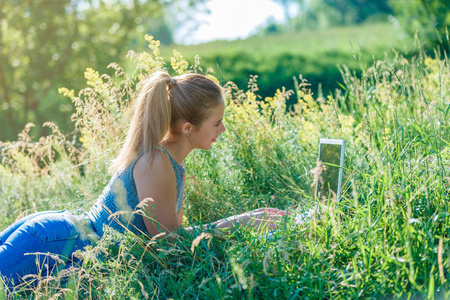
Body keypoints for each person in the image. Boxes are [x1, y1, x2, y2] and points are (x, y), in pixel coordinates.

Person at [0, 71, 287, 288]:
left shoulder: (172, 166)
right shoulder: (157, 162)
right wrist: (244, 221)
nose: (222, 129)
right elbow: (168, 241)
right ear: (188, 127)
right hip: (60, 243)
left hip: (61, 237)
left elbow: (174, 248)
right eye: (216, 122)